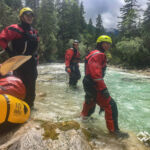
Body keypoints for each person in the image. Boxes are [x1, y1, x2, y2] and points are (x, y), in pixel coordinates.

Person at [81, 35, 129, 138]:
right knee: (111, 105)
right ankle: (114, 132)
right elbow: (96, 75)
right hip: (94, 83)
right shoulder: (99, 55)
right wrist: (104, 89)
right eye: (105, 43)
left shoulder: (92, 53)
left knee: (90, 100)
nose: (108, 45)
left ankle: (84, 120)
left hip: (88, 82)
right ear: (100, 44)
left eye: (109, 44)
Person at [0, 7, 39, 108]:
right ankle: (17, 108)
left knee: (31, 88)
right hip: (19, 63)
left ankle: (30, 110)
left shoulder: (34, 32)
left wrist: (36, 60)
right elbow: (2, 39)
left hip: (31, 64)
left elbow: (35, 49)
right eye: (27, 15)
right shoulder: (15, 28)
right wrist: (10, 53)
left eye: (31, 15)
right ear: (22, 17)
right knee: (19, 86)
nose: (30, 17)